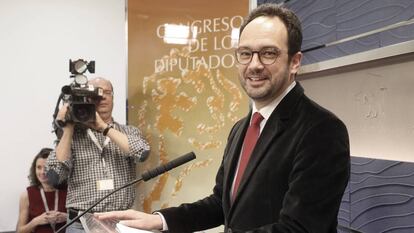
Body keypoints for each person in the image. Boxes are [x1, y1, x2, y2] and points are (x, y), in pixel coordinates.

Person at [96, 3, 350, 233]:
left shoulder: (322, 130)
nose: (254, 65)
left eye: (269, 53)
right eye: (245, 53)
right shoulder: (242, 127)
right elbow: (221, 203)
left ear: (295, 62)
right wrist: (161, 220)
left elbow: (299, 229)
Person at [46, 77, 150, 233]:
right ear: (86, 99)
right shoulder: (73, 135)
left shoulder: (128, 132)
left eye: (106, 92)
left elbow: (142, 153)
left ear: (113, 98)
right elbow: (55, 176)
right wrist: (67, 129)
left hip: (120, 222)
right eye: (96, 94)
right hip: (80, 223)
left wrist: (103, 127)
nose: (102, 97)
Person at [16, 148, 68, 233]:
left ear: (56, 169)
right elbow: (20, 231)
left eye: (46, 167)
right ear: (34, 169)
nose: (42, 172)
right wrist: (35, 221)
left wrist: (67, 217)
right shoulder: (26, 195)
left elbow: (85, 221)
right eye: (39, 167)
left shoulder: (68, 191)